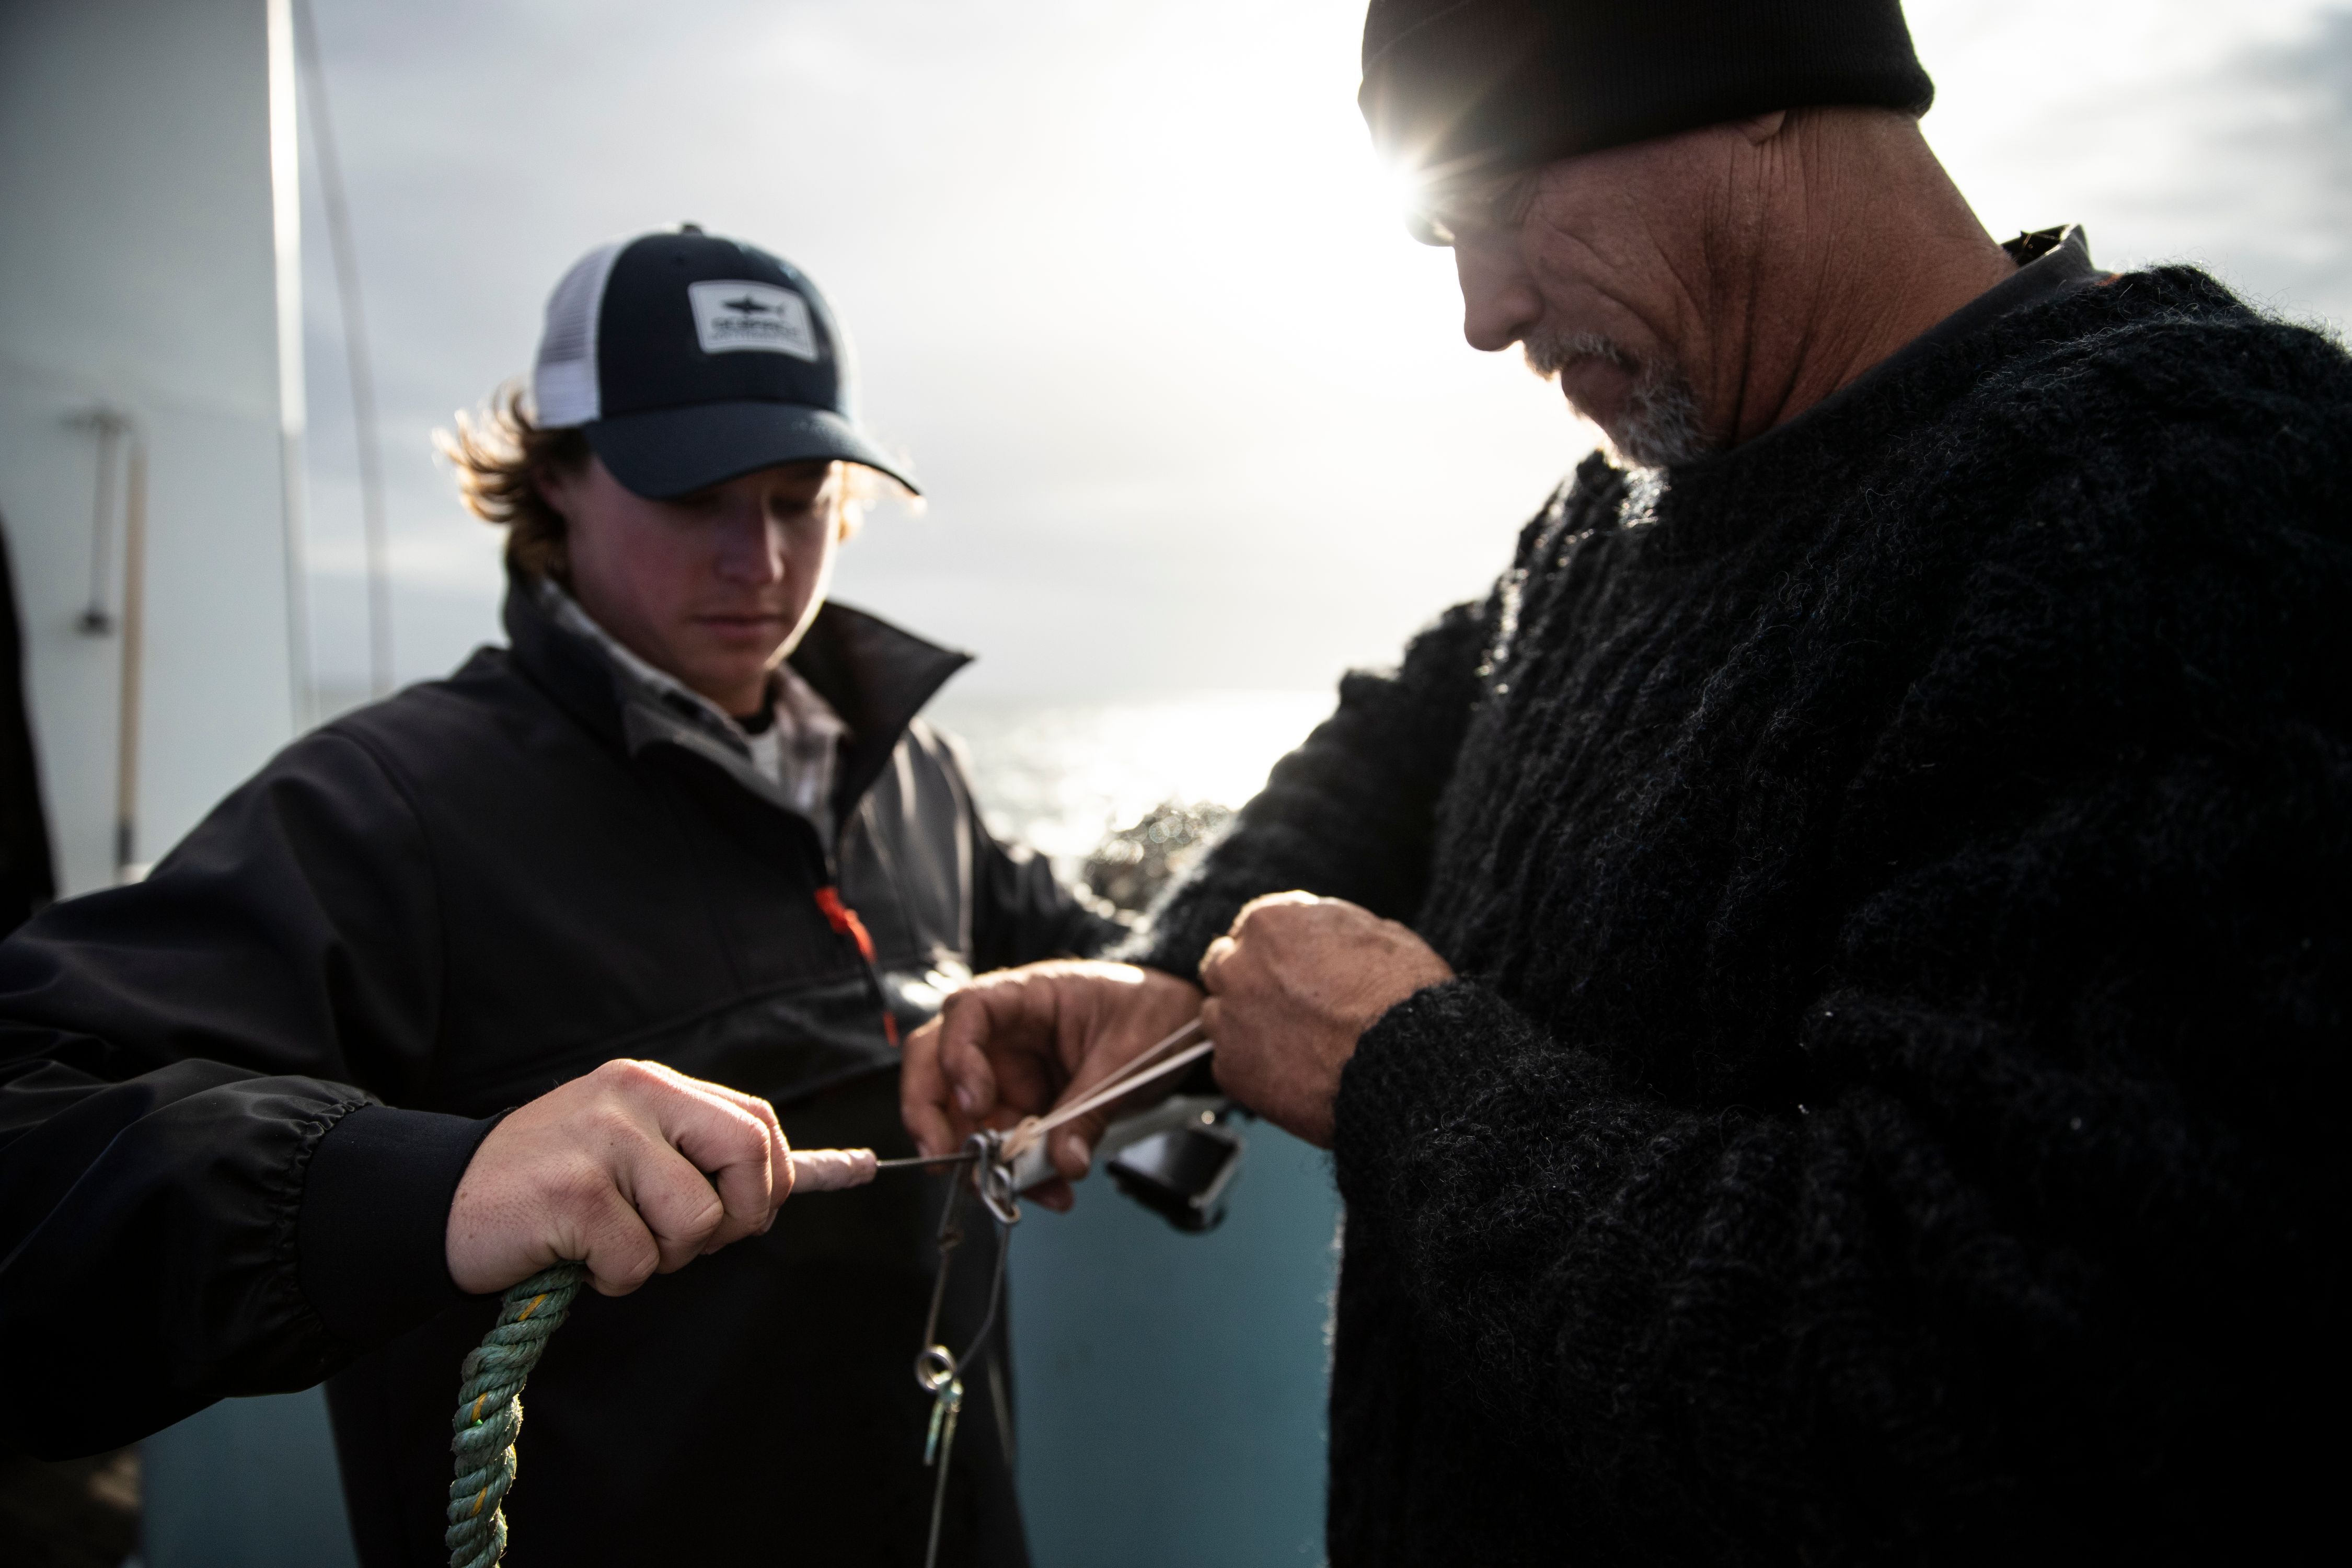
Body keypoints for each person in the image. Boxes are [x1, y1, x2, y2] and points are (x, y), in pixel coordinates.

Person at [904, 1, 2350, 1561]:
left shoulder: (2189, 505)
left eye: (1506, 204)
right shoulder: (1615, 517)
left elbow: (2002, 1381)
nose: (1481, 310)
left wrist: (1401, 1076)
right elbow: (1410, 728)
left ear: (1768, 82)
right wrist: (1175, 988)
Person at [0, 227, 1113, 1565]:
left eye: (798, 493)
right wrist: (432, 1183)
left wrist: (1109, 1011)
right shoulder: (384, 807)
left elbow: (1090, 970)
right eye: (694, 493)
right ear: (555, 482)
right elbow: (30, 1112)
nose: (758, 560)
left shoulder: (916, 773)